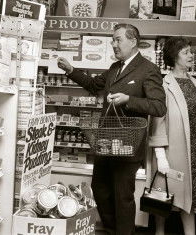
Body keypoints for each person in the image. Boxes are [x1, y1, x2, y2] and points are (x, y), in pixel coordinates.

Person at [57, 23, 166, 235]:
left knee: (122, 197)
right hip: (105, 143)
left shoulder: (148, 69)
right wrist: (71, 70)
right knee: (100, 190)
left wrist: (129, 100)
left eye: (118, 39)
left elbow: (159, 106)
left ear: (133, 41)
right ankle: (111, 229)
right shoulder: (115, 68)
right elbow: (93, 85)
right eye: (112, 40)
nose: (113, 44)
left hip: (128, 146)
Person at [149, 37, 196, 235]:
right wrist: (160, 155)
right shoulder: (164, 85)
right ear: (174, 57)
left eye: (190, 51)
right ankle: (159, 232)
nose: (191, 55)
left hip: (193, 150)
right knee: (163, 197)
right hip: (171, 150)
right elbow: (157, 121)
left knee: (190, 198)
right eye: (186, 52)